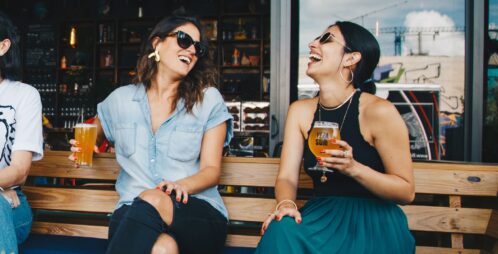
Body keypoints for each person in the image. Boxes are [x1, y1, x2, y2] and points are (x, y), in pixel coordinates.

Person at [70, 14, 233, 254]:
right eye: (183, 40)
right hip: (132, 213)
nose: (191, 50)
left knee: (154, 198)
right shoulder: (121, 100)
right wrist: (85, 144)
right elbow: (94, 132)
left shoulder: (208, 100)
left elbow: (211, 171)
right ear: (157, 43)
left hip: (194, 212)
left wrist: (178, 186)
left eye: (198, 48)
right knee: (162, 249)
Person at [256, 21, 415, 253]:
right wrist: (286, 204)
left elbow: (406, 191)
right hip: (321, 216)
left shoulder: (379, 111)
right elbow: (287, 178)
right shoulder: (300, 111)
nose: (312, 44)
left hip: (373, 222)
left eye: (326, 39)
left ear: (351, 58)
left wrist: (353, 168)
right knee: (281, 229)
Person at [0, 10, 44, 253]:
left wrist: (5, 187)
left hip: (12, 206)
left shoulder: (24, 95)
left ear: (3, 46)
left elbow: (19, 171)